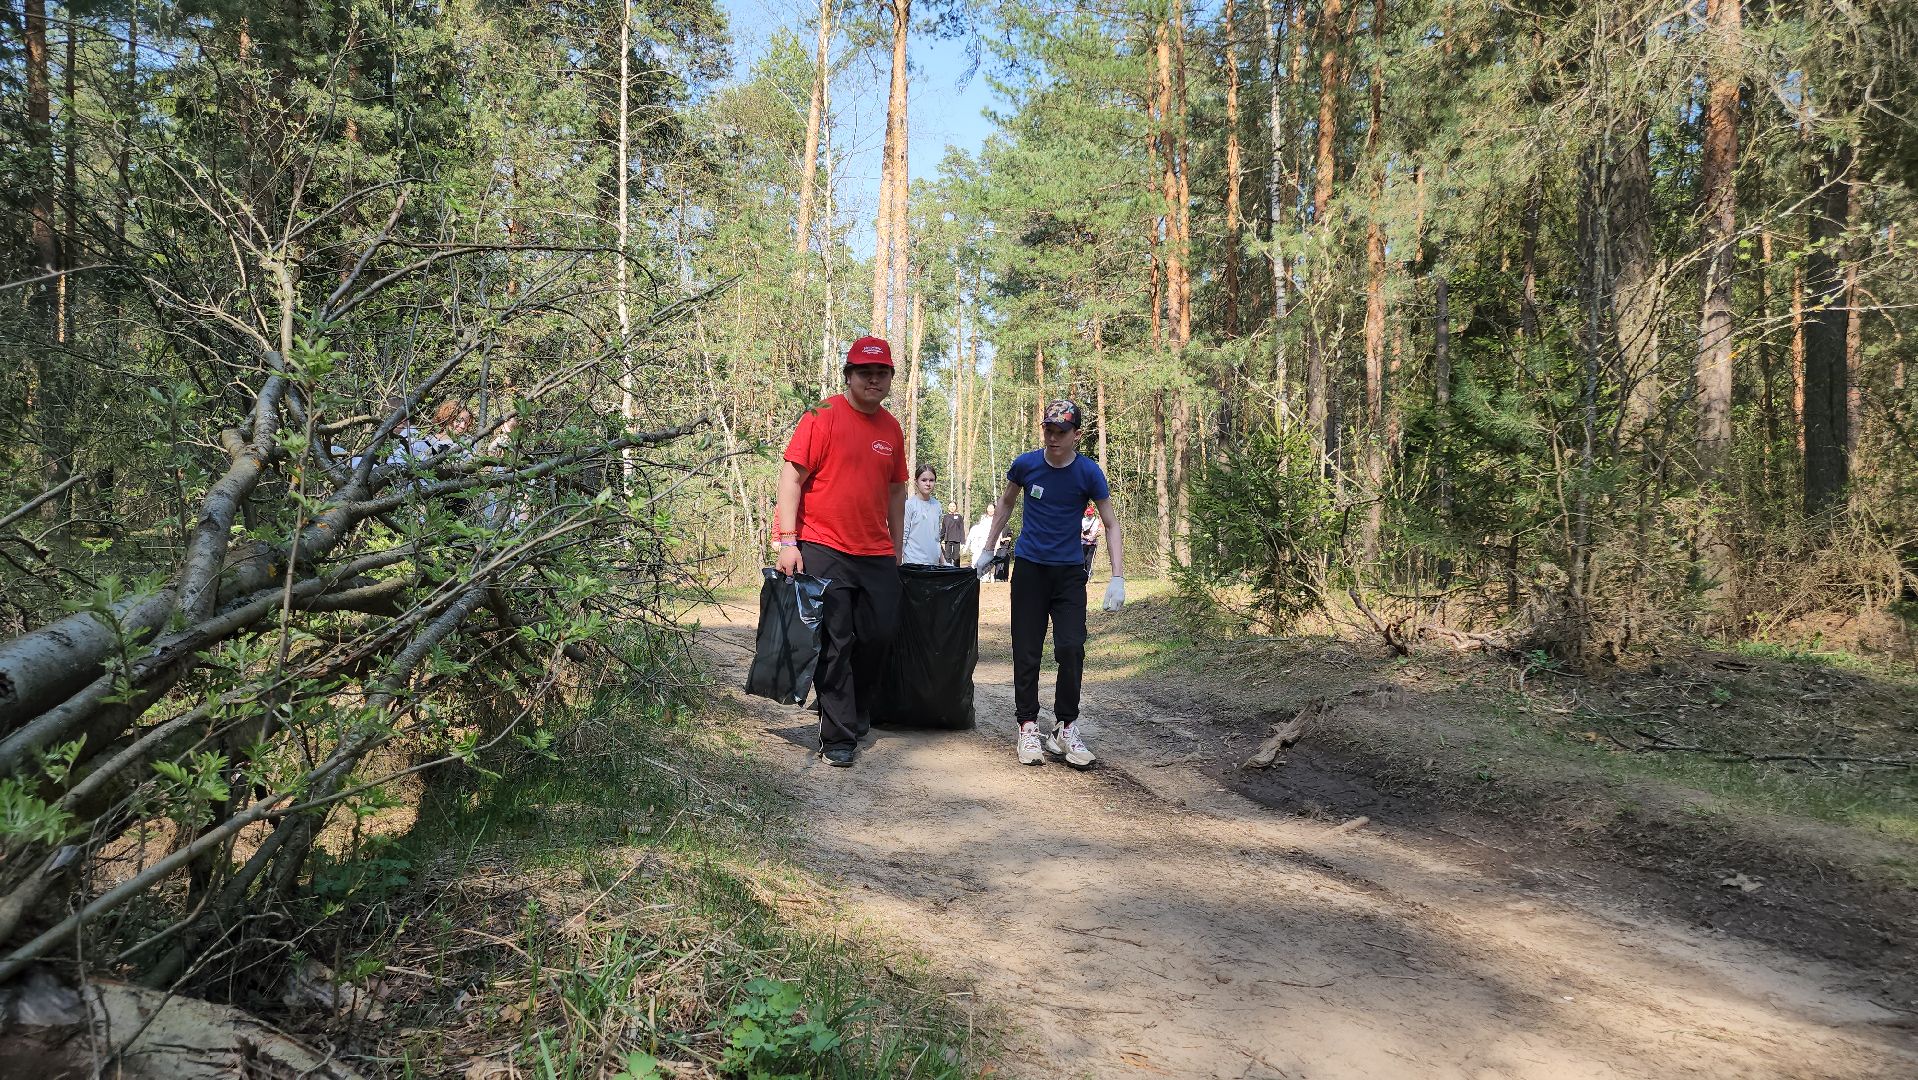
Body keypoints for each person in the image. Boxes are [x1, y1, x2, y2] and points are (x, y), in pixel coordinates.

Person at [772, 336, 909, 767]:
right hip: (822, 544)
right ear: (848, 375)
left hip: (875, 553)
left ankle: (856, 707)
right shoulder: (822, 416)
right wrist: (787, 540)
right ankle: (838, 734)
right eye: (864, 372)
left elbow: (896, 493)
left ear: (889, 378)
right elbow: (791, 478)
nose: (873, 379)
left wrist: (897, 550)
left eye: (881, 372)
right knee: (836, 641)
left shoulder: (891, 429)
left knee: (880, 635)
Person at [975, 399, 1124, 769]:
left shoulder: (1089, 473)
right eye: (1049, 429)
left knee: (1072, 648)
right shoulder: (1026, 465)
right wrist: (988, 549)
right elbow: (1006, 505)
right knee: (1027, 650)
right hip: (1029, 569)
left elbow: (1109, 523)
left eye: (1061, 431)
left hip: (1069, 573)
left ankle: (1064, 728)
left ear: (1077, 435)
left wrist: (1118, 576)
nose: (1053, 437)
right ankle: (1027, 727)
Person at [901, 463, 945, 565]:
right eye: (924, 480)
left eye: (931, 480)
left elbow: (936, 538)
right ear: (916, 482)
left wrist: (943, 563)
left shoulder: (937, 505)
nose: (928, 484)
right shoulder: (909, 505)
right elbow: (903, 536)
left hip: (933, 564)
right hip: (913, 563)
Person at [1080, 504, 1104, 578]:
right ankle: (1083, 574)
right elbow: (1079, 531)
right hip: (1083, 542)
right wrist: (1084, 537)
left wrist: (1093, 536)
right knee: (1082, 559)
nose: (1089, 515)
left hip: (1092, 544)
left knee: (1089, 559)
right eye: (1088, 514)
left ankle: (1088, 574)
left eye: (1090, 514)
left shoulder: (1096, 521)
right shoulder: (1082, 520)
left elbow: (1101, 531)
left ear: (1093, 513)